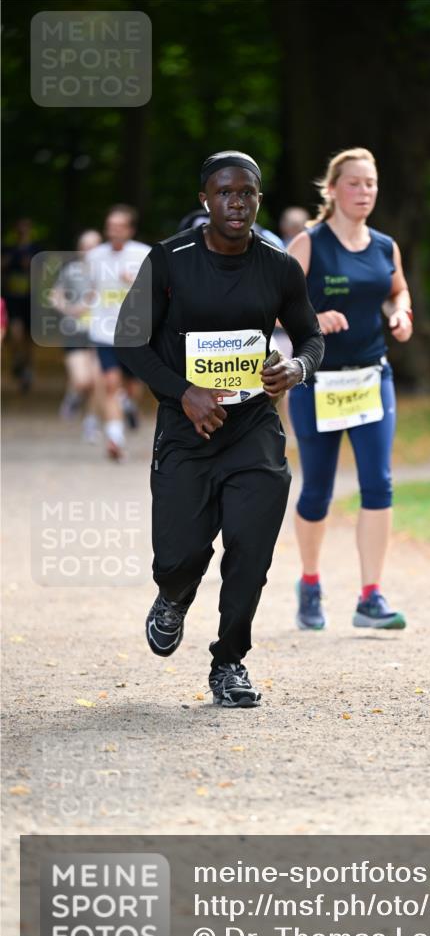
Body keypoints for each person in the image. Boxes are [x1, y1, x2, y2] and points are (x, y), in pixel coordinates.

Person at [115, 150, 324, 707]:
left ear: (258, 198)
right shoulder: (169, 259)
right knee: (178, 556)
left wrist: (296, 368)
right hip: (186, 430)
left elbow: (310, 336)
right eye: (225, 192)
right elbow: (129, 339)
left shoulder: (279, 266)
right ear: (204, 199)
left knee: (250, 551)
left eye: (248, 192)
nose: (238, 202)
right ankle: (174, 594)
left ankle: (229, 662)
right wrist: (183, 393)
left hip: (254, 426)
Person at [287, 147, 412, 632]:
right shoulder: (308, 244)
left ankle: (370, 596)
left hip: (370, 379)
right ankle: (311, 583)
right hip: (317, 381)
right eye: (355, 183)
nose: (365, 192)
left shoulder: (385, 246)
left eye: (372, 184)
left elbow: (397, 289)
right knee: (317, 489)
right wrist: (312, 319)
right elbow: (273, 305)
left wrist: (400, 313)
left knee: (378, 483)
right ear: (333, 189)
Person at [86, 206, 150, 459]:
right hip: (104, 332)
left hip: (135, 332)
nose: (114, 231)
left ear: (130, 229)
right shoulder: (94, 257)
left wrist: (134, 283)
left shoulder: (144, 255)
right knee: (110, 384)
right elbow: (89, 289)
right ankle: (115, 438)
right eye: (110, 226)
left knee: (133, 387)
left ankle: (129, 404)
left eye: (119, 226)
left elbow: (157, 292)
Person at [50, 229, 104, 439]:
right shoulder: (71, 270)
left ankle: (91, 422)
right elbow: (55, 296)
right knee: (83, 381)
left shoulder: (108, 270)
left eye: (95, 246)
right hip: (75, 331)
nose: (90, 250)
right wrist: (70, 309)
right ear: (79, 249)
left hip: (101, 331)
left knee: (97, 380)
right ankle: (73, 395)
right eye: (86, 246)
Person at [1, 218, 41, 392]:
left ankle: (27, 368)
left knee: (28, 337)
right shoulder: (8, 249)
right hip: (13, 296)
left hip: (31, 297)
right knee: (16, 331)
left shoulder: (36, 249)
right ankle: (17, 359)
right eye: (20, 228)